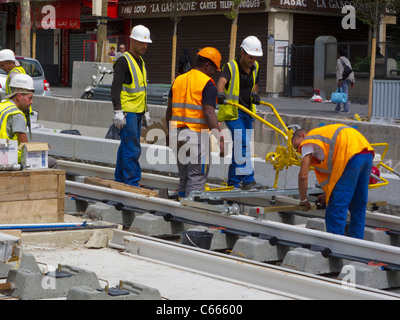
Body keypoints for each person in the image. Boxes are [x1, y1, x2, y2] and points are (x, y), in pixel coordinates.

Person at [291, 124, 375, 239]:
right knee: (357, 205)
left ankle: (336, 247)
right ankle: (357, 245)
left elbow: (303, 176)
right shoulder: (323, 141)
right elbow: (337, 174)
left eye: (297, 146)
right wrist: (328, 194)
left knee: (336, 207)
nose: (299, 150)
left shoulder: (308, 140)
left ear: (302, 135)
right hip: (365, 152)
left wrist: (303, 199)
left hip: (349, 154)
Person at [166, 47, 225, 198]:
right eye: (214, 69)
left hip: (177, 134)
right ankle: (191, 213)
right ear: (207, 65)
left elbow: (169, 111)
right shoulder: (207, 84)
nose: (214, 73)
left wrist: (168, 134)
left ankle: (180, 204)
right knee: (197, 177)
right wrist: (220, 139)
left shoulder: (178, 80)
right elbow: (209, 113)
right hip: (196, 136)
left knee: (184, 176)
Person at [217, 36, 263, 190]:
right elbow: (222, 82)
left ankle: (233, 183)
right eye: (250, 57)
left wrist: (255, 94)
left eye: (255, 57)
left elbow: (255, 84)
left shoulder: (255, 66)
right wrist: (220, 93)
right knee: (242, 143)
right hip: (233, 113)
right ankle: (248, 180)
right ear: (242, 52)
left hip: (247, 113)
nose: (252, 60)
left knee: (241, 147)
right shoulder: (231, 67)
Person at [111, 25, 152, 186]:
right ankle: (132, 182)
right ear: (132, 41)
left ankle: (121, 179)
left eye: (147, 43)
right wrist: (118, 111)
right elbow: (115, 88)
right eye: (142, 43)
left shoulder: (140, 61)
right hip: (128, 112)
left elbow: (142, 88)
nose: (145, 46)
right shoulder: (123, 61)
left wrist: (146, 111)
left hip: (138, 111)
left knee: (126, 147)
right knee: (132, 148)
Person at [0, 73, 57, 168]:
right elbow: (25, 148)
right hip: (9, 159)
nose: (31, 102)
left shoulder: (3, 105)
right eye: (29, 98)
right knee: (51, 162)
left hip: (3, 155)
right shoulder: (17, 115)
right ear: (19, 96)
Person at [335, 47, 355, 114]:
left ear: (339, 53)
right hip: (349, 78)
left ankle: (346, 109)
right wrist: (352, 81)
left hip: (344, 79)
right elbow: (351, 70)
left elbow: (340, 71)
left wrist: (339, 80)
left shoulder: (339, 60)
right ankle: (337, 107)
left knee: (344, 94)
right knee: (340, 92)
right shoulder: (347, 60)